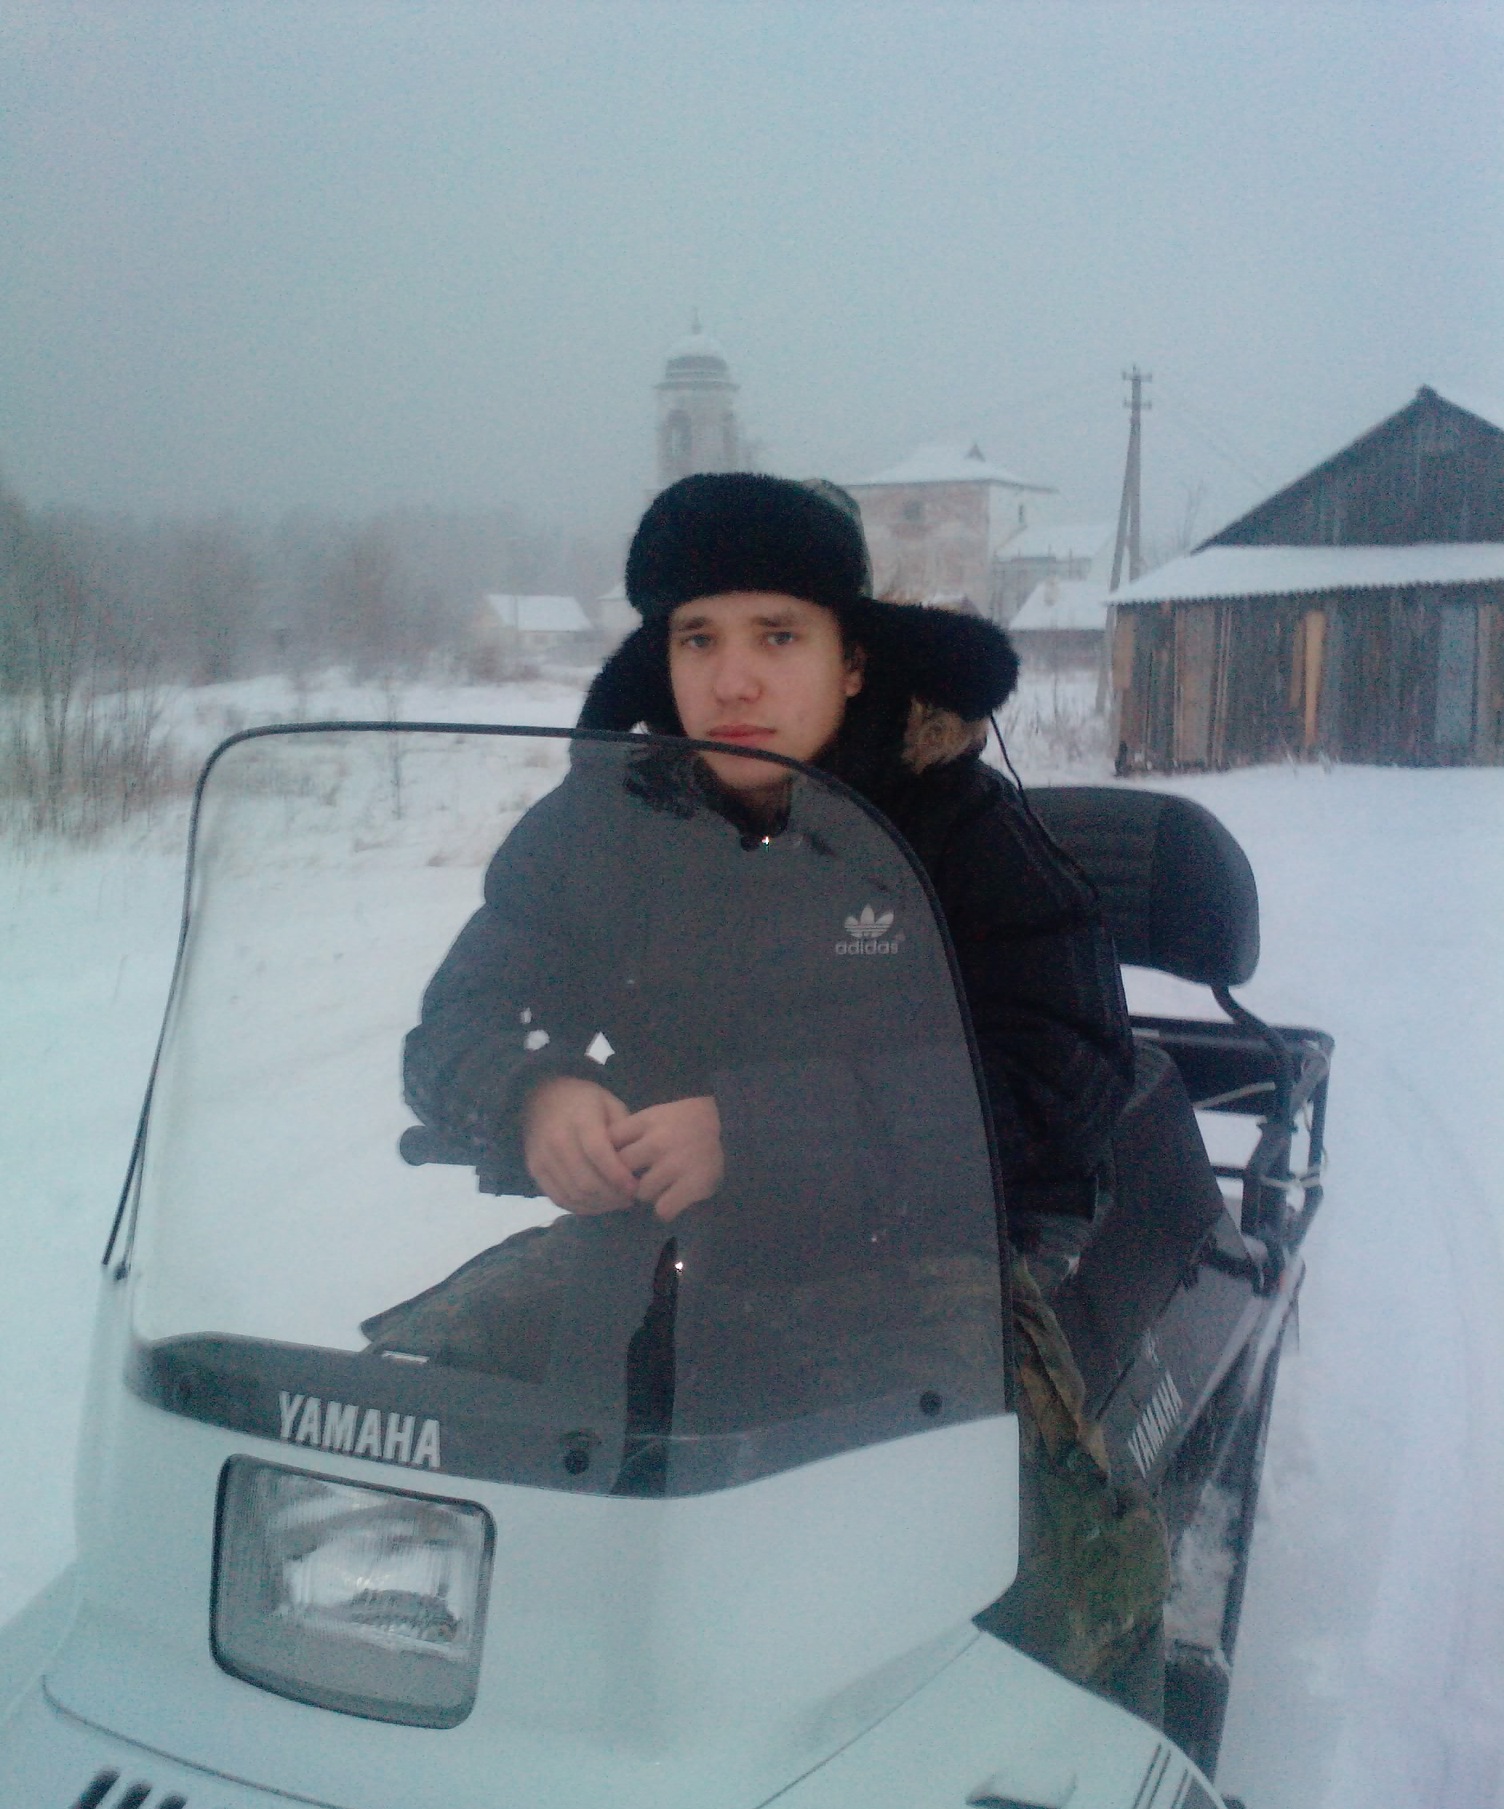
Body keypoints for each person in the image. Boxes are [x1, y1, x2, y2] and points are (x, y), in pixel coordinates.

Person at [384, 472, 1166, 1717]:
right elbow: (458, 1015)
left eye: (777, 636)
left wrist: (760, 1135)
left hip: (917, 1251)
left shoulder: (955, 825)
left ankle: (1115, 1766)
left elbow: (1064, 1069)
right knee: (402, 1442)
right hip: (662, 1249)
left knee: (1061, 1584)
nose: (732, 678)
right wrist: (531, 1090)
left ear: (853, 662)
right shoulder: (606, 822)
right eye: (698, 637)